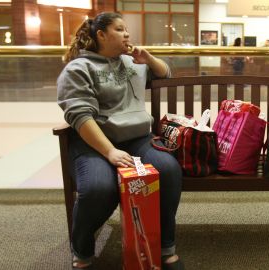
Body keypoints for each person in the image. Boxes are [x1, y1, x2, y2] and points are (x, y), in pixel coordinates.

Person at [57, 12, 184, 270]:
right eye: (119, 29)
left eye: (126, 29)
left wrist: (147, 58)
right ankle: (82, 252)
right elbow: (80, 116)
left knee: (168, 170)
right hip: (94, 143)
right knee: (98, 188)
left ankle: (165, 248)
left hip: (138, 139)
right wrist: (110, 152)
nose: (127, 34)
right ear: (101, 35)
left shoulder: (132, 63)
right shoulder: (79, 69)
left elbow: (166, 73)